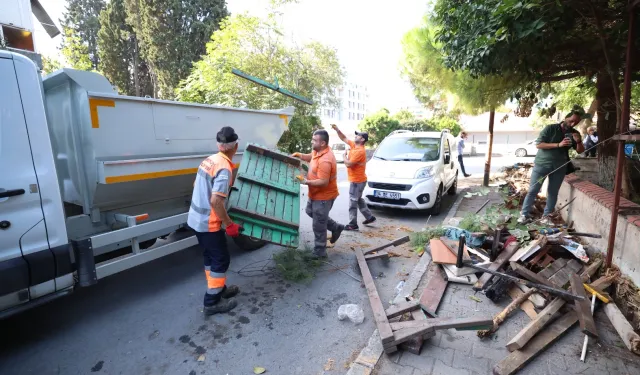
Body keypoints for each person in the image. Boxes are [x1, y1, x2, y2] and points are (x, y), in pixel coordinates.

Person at [187, 126, 243, 315]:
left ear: (219, 145)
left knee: (210, 258)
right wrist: (229, 225)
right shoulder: (224, 168)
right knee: (221, 260)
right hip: (208, 224)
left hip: (196, 220)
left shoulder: (210, 160)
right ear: (235, 146)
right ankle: (211, 302)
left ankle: (219, 289)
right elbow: (216, 200)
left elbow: (197, 184)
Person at [518, 108, 587, 225]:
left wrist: (579, 141)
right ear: (566, 118)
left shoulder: (575, 133)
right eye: (571, 120)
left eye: (576, 122)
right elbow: (539, 144)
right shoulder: (551, 128)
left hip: (560, 167)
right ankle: (524, 214)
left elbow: (580, 151)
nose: (573, 123)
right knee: (533, 190)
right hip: (542, 166)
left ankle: (546, 216)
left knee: (553, 192)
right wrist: (558, 144)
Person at [292, 129, 344, 258]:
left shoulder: (326, 160)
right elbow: (311, 157)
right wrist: (300, 155)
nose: (312, 142)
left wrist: (305, 181)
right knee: (310, 212)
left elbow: (323, 182)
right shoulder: (318, 151)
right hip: (315, 194)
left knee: (318, 225)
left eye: (314, 140)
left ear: (323, 143)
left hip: (323, 197)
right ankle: (336, 227)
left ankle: (320, 252)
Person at [330, 124, 376, 231]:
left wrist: (343, 156)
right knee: (358, 200)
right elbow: (344, 138)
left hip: (357, 182)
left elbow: (348, 164)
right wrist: (337, 129)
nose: (355, 137)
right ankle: (370, 217)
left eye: (358, 136)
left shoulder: (360, 151)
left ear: (363, 139)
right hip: (359, 181)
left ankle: (353, 224)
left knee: (352, 202)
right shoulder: (354, 146)